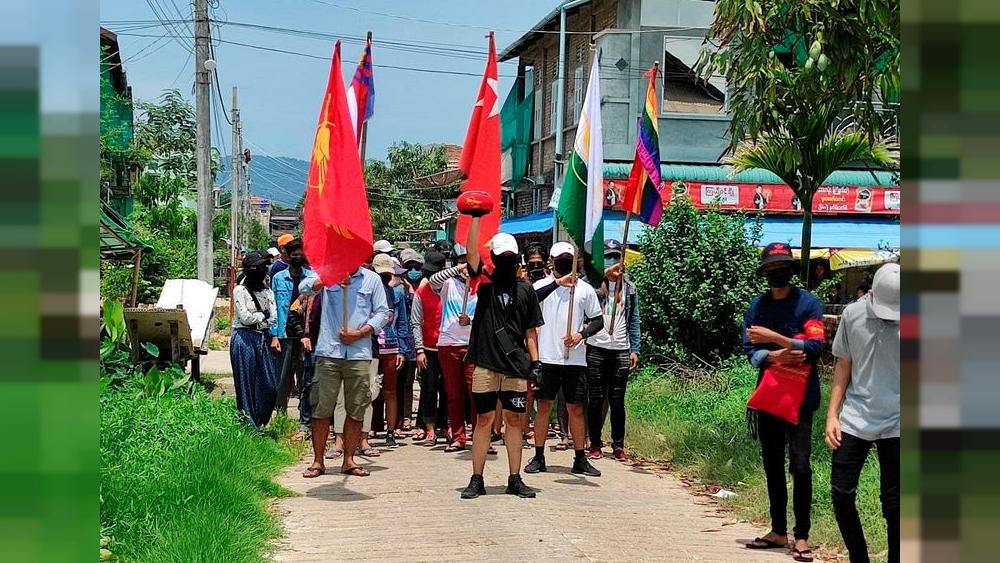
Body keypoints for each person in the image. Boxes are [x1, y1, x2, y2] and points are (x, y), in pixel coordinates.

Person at [742, 242, 825, 562]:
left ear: (791, 270)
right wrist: (783, 352)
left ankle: (802, 535)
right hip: (770, 397)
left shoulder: (808, 304)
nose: (778, 273)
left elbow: (815, 347)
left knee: (801, 465)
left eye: (783, 268)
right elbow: (751, 350)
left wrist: (773, 339)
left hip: (802, 399)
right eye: (772, 269)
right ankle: (778, 530)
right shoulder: (757, 306)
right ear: (764, 273)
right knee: (772, 464)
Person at [459, 231, 543, 499]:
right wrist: (474, 221)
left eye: (510, 257)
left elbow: (530, 331)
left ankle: (515, 478)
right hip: (485, 363)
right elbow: (472, 257)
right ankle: (477, 478)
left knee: (514, 421)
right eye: (501, 257)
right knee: (483, 420)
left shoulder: (526, 290)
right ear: (494, 259)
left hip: (516, 367)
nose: (507, 262)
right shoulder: (483, 285)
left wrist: (536, 362)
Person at [825, 263, 900, 563]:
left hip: (898, 420)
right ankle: (859, 557)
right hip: (856, 418)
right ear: (871, 294)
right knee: (841, 495)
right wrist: (833, 414)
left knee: (896, 505)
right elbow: (843, 365)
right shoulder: (853, 315)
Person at [298, 263, 389, 478]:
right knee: (321, 408)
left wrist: (361, 332)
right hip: (328, 351)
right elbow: (304, 288)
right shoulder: (326, 272)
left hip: (359, 353)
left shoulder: (372, 279)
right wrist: (328, 279)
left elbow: (383, 312)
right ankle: (318, 461)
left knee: (356, 408)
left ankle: (349, 459)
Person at [523, 242, 604, 478]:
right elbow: (530, 299)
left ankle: (580, 457)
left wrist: (581, 334)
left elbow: (597, 320)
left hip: (575, 360)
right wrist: (558, 283)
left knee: (576, 408)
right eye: (560, 259)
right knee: (544, 407)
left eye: (569, 258)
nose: (565, 262)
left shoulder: (585, 290)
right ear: (551, 260)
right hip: (547, 357)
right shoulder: (541, 286)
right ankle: (538, 456)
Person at [586, 240, 641, 461]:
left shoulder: (629, 287)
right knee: (596, 397)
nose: (613, 261)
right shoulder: (593, 285)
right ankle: (595, 443)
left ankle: (618, 445)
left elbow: (634, 320)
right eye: (608, 257)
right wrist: (604, 276)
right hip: (597, 347)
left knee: (617, 399)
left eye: (616, 256)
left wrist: (634, 349)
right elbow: (588, 301)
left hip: (620, 349)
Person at [430, 246, 481, 452]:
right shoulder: (447, 284)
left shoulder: (482, 286)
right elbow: (433, 280)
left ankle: (480, 437)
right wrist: (459, 268)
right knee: (453, 394)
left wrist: (471, 321)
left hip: (473, 345)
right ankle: (458, 436)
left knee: (476, 393)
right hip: (448, 344)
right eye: (462, 260)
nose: (467, 265)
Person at [230, 251, 279, 429]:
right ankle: (249, 425)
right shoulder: (240, 291)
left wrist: (259, 317)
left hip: (261, 337)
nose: (263, 270)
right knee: (246, 383)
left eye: (264, 267)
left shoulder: (268, 292)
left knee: (269, 384)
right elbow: (244, 318)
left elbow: (274, 318)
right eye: (259, 267)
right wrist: (262, 315)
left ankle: (260, 419)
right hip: (243, 338)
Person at [371, 253, 411, 449]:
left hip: (391, 345)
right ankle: (367, 429)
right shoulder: (367, 291)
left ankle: (391, 431)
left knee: (390, 391)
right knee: (368, 390)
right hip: (370, 346)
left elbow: (403, 322)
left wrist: (403, 350)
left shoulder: (397, 293)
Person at [410, 251, 449, 446]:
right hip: (428, 348)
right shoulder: (421, 293)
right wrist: (419, 350)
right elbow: (415, 323)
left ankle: (445, 425)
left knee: (448, 389)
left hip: (448, 347)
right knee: (429, 388)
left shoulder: (451, 289)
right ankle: (430, 429)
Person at [270, 238, 312, 415]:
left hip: (305, 335)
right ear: (287, 256)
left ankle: (304, 417)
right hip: (284, 334)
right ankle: (280, 414)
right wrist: (274, 335)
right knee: (282, 376)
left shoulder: (311, 278)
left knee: (304, 378)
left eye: (301, 255)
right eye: (294, 255)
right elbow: (273, 307)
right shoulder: (279, 278)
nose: (298, 258)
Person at [396, 249, 425, 436]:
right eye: (409, 267)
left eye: (417, 267)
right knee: (404, 383)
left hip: (422, 343)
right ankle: (403, 418)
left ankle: (421, 421)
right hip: (404, 343)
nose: (413, 270)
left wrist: (414, 292)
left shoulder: (425, 288)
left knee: (423, 383)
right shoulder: (398, 290)